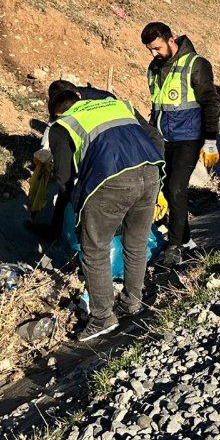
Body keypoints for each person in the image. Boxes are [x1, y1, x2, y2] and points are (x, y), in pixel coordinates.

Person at [47, 90, 164, 341]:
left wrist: (78, 206)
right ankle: (132, 302)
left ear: (57, 113)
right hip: (151, 172)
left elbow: (64, 177)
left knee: (95, 249)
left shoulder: (63, 125)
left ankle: (101, 317)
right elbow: (154, 136)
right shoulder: (117, 106)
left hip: (110, 181)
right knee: (136, 242)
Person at [141, 22, 220, 264]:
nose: (154, 54)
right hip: (161, 138)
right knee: (166, 189)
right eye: (150, 50)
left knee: (177, 188)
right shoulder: (154, 68)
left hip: (188, 137)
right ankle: (185, 239)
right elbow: (158, 105)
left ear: (171, 40)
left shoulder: (196, 64)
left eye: (157, 48)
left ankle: (175, 245)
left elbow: (210, 102)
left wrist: (210, 140)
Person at [31, 80, 117, 240]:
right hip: (87, 149)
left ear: (77, 95)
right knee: (66, 189)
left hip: (108, 154)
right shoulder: (65, 102)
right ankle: (57, 232)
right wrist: (45, 151)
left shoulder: (103, 102)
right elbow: (53, 124)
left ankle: (86, 236)